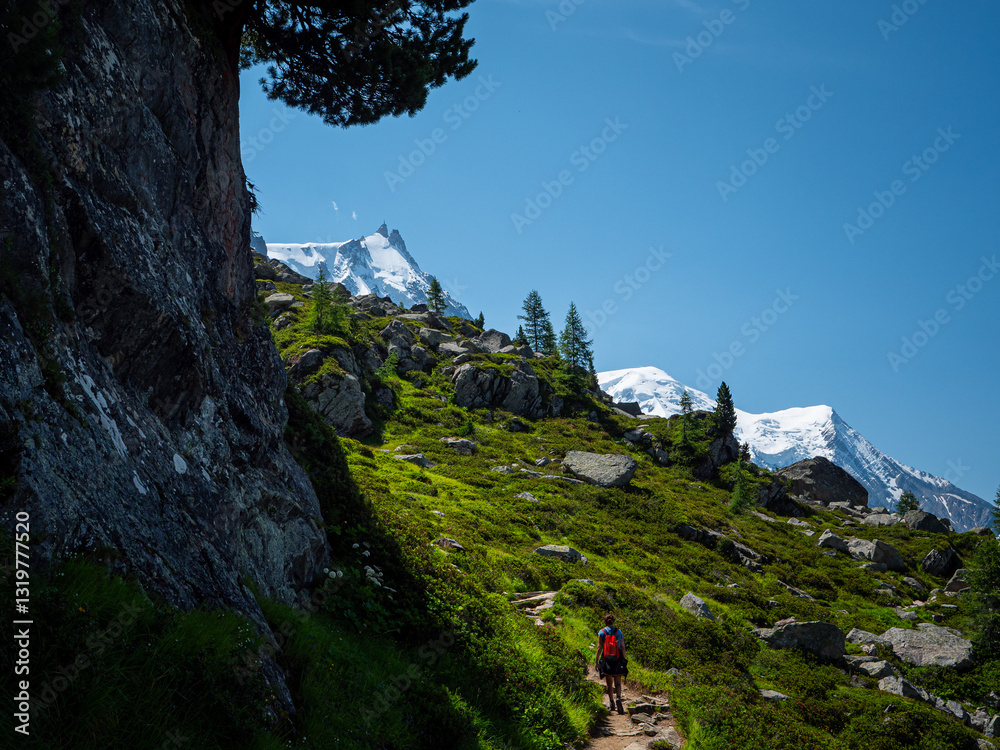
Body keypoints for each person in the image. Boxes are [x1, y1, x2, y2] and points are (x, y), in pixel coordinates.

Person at [595, 613, 627, 713]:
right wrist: (624, 660)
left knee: (609, 682)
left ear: (604, 622)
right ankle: (618, 697)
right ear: (613, 621)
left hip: (606, 659)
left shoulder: (602, 632)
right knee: (618, 682)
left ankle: (611, 702)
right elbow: (622, 646)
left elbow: (600, 647)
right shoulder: (619, 632)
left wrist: (596, 661)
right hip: (617, 658)